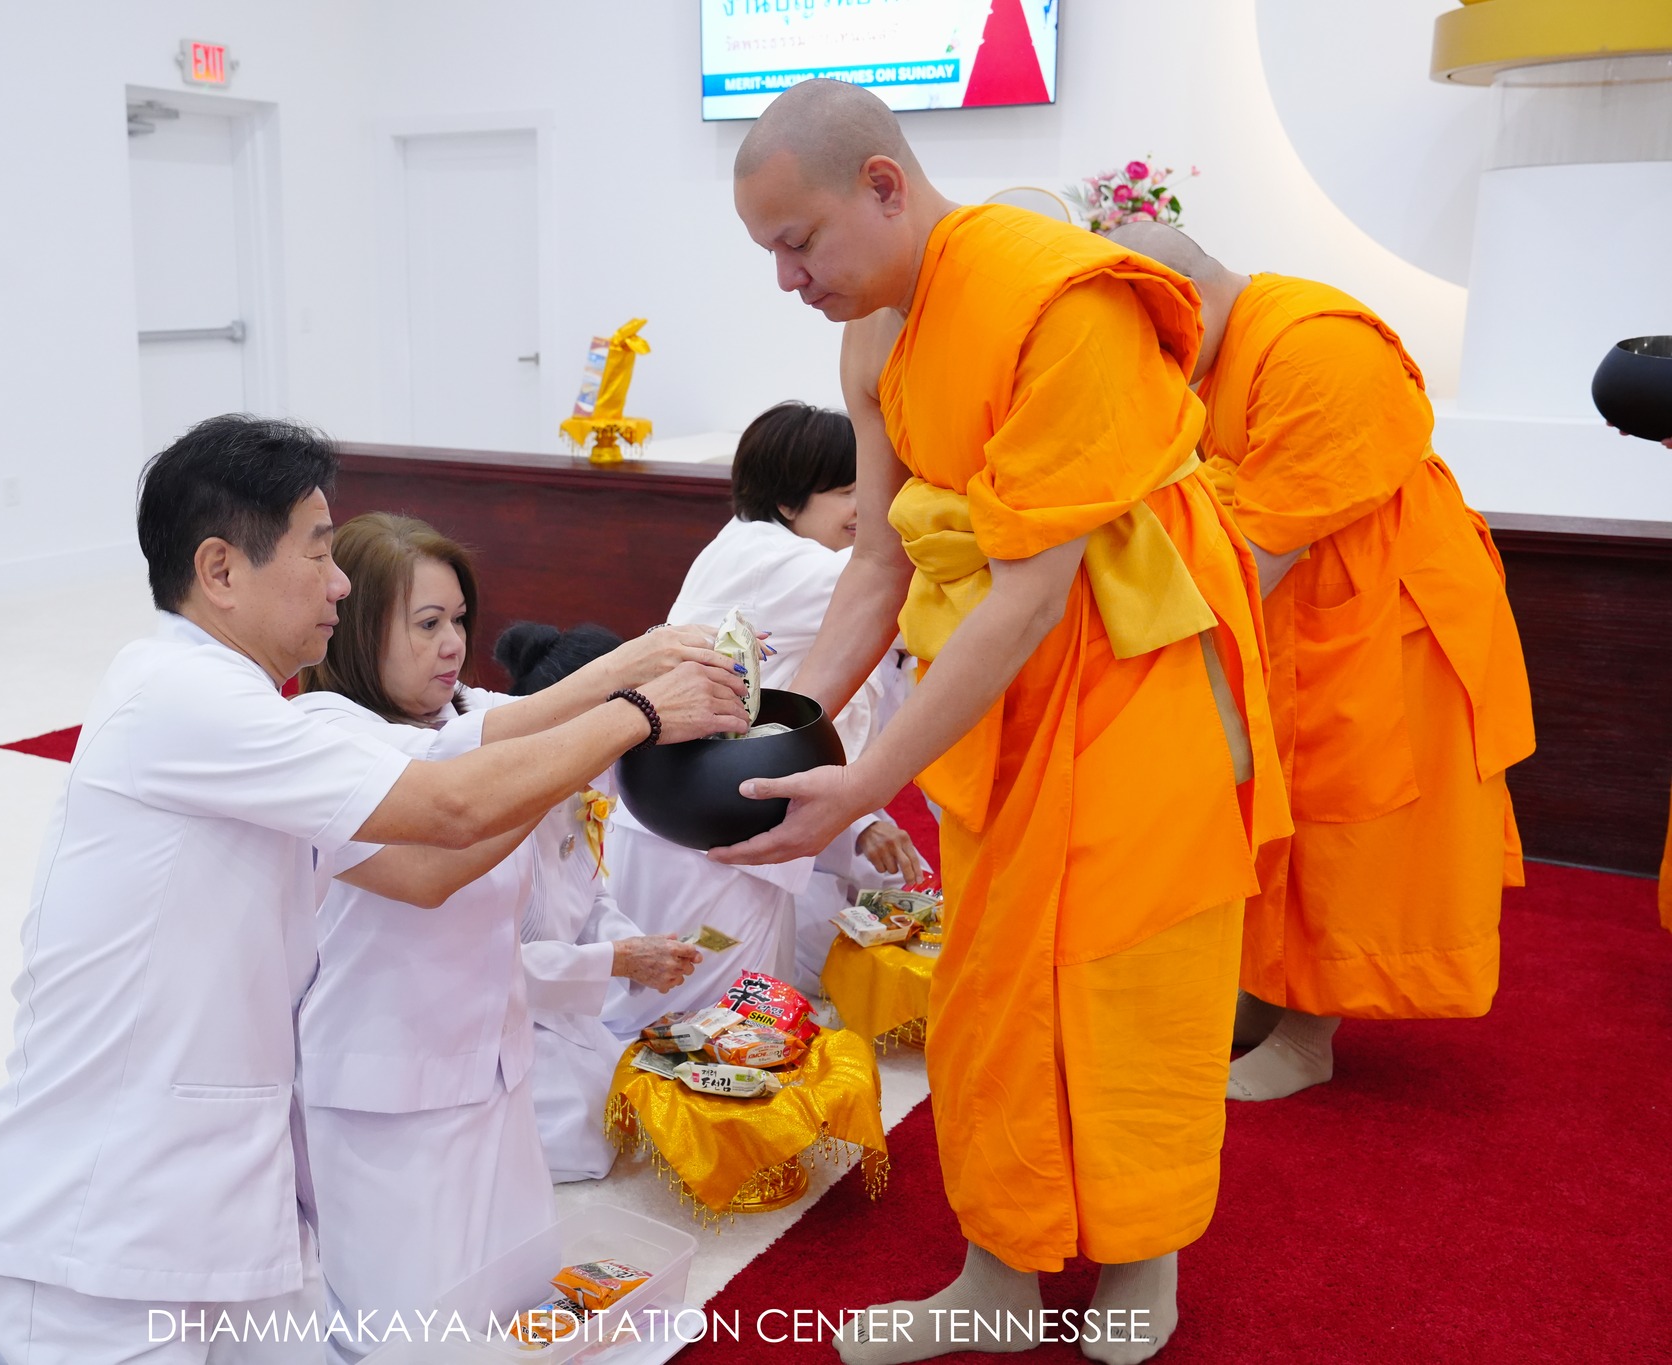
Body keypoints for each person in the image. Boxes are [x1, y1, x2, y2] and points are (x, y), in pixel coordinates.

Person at [0, 418, 748, 1365]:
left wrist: (631, 669)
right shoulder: (183, 697)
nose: (339, 580)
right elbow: (447, 806)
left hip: (229, 1191)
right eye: (319, 552)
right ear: (221, 570)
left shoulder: (246, 711)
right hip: (106, 1213)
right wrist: (638, 710)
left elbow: (429, 849)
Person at [722, 81, 1288, 1365]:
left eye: (796, 242)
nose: (785, 279)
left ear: (882, 183)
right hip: (995, 703)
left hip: (1135, 687)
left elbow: (1035, 594)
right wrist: (790, 726)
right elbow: (877, 557)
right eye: (767, 253)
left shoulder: (1060, 298)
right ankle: (999, 1273)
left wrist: (866, 776)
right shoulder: (872, 331)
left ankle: (1143, 1253)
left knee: (1127, 981)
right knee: (988, 990)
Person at [1105, 223, 1538, 1101]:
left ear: (1184, 308)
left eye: (1154, 353)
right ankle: (1269, 993)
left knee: (1345, 822)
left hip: (1386, 625)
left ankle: (1311, 1035)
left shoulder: (1318, 348)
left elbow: (1255, 546)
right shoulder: (1228, 348)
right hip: (1301, 612)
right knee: (1276, 809)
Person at [293, 515, 729, 1360]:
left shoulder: (469, 709)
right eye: (426, 624)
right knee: (409, 1334)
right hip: (388, 1087)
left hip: (495, 1065)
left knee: (516, 1305)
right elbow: (453, 825)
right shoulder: (324, 733)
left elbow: (528, 724)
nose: (453, 643)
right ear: (353, 627)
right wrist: (632, 693)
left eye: (460, 619)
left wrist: (647, 667)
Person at [604, 401, 925, 1028]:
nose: (870, 511)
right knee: (715, 1026)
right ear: (788, 502)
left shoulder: (748, 549)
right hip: (706, 835)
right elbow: (902, 579)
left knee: (710, 1013)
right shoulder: (784, 565)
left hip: (694, 820)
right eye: (849, 491)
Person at [493, 621, 705, 1181]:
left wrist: (635, 945)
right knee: (578, 1136)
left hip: (559, 1000)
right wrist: (618, 961)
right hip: (495, 1016)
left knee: (635, 1097)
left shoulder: (590, 783)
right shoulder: (499, 812)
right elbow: (485, 962)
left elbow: (591, 894)